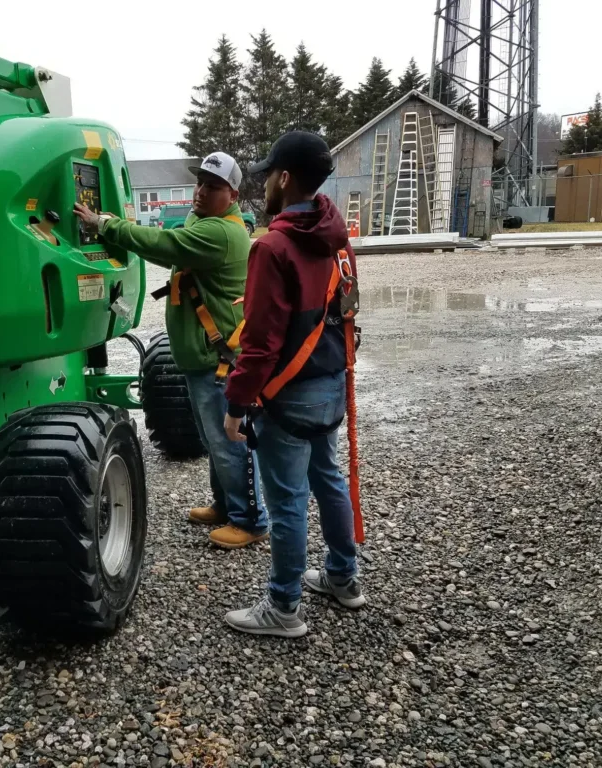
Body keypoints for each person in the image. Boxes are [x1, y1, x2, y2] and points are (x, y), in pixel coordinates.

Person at [73, 152, 269, 549]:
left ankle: (251, 520)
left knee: (229, 441)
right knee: (213, 439)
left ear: (233, 195)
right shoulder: (205, 220)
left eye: (213, 187)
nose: (201, 192)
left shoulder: (221, 233)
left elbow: (166, 244)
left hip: (218, 360)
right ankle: (226, 505)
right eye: (200, 183)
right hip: (203, 357)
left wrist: (106, 225)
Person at [220, 131, 366, 638]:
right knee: (328, 480)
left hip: (287, 396)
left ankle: (283, 607)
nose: (263, 186)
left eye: (268, 176)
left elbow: (260, 343)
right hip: (330, 386)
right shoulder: (339, 240)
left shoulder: (272, 247)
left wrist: (236, 404)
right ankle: (343, 578)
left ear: (284, 179)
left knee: (286, 503)